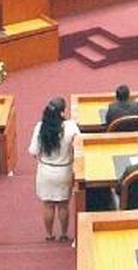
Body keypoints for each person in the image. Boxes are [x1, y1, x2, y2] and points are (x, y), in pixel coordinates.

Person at [27, 97, 79, 242]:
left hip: (46, 171)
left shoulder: (40, 127)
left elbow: (33, 152)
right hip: (64, 171)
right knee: (63, 205)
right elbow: (78, 147)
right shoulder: (71, 127)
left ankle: (49, 234)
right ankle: (63, 234)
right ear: (62, 112)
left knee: (48, 205)